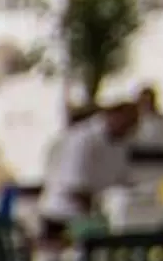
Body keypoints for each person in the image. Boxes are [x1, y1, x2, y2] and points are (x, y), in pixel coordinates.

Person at [37, 100, 140, 234]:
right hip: (62, 216)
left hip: (93, 215)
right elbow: (75, 187)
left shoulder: (120, 143)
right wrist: (100, 211)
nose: (130, 129)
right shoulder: (83, 138)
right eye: (127, 123)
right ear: (113, 116)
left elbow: (121, 181)